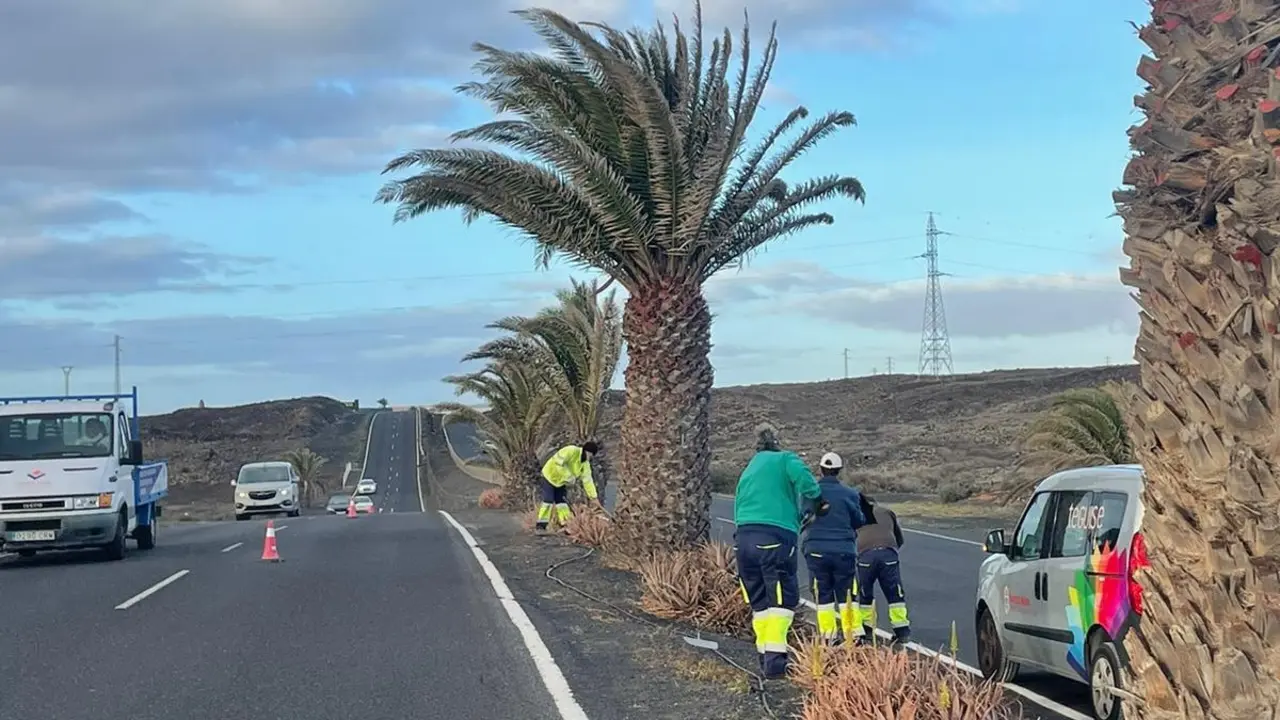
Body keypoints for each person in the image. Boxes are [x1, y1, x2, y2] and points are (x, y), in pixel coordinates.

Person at [733, 423, 826, 679]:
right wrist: (815, 502)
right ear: (777, 442)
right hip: (775, 535)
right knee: (783, 598)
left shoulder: (749, 468)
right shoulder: (786, 459)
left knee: (760, 601)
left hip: (743, 538)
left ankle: (765, 654)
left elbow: (738, 500)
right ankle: (775, 660)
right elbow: (807, 483)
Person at [801, 452, 867, 644]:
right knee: (847, 593)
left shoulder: (809, 493)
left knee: (823, 594)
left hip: (816, 549)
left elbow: (803, 515)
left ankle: (828, 636)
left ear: (820, 470)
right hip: (843, 550)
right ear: (839, 471)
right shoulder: (851, 494)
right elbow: (859, 520)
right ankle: (854, 634)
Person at [855, 495, 910, 645]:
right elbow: (900, 538)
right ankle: (902, 631)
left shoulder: (856, 514)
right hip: (888, 553)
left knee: (865, 594)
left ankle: (867, 631)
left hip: (865, 555)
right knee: (895, 593)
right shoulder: (886, 512)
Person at [535, 441, 602, 533]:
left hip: (561, 482)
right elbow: (557, 463)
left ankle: (566, 525)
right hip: (549, 477)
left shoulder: (585, 465)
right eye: (590, 455)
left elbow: (588, 481)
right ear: (586, 451)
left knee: (562, 503)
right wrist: (569, 477)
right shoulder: (570, 451)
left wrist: (594, 498)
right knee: (548, 501)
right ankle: (540, 526)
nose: (590, 458)